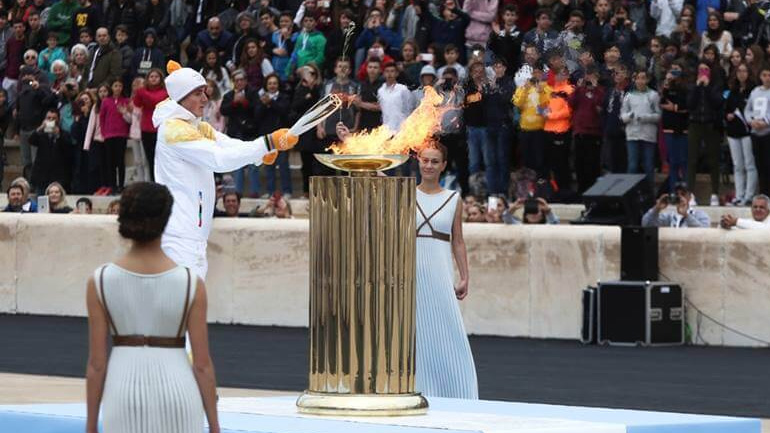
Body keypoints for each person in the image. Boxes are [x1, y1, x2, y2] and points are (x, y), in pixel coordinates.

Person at [84, 182, 220, 433]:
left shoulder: (100, 281)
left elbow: (96, 363)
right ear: (166, 218)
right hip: (179, 392)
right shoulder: (191, 283)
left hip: (123, 391)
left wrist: (91, 425)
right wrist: (214, 425)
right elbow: (202, 364)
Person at [152, 60, 298, 278]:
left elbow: (226, 143)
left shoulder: (196, 125)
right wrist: (266, 143)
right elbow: (218, 159)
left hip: (193, 232)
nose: (205, 99)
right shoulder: (173, 130)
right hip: (178, 233)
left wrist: (260, 154)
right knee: (180, 302)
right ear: (181, 98)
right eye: (197, 93)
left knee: (190, 300)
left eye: (205, 92)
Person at [414, 143, 478, 399]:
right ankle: (421, 389)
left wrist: (464, 276)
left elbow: (458, 241)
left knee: (447, 327)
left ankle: (459, 389)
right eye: (425, 160)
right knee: (417, 332)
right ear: (418, 161)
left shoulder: (453, 199)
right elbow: (376, 170)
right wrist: (349, 139)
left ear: (443, 166)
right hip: (412, 271)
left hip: (440, 271)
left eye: (434, 161)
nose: (428, 165)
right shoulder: (404, 193)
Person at [621, 69, 660, 190]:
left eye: (643, 78)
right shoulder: (629, 96)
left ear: (647, 80)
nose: (640, 81)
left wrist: (645, 118)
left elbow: (658, 115)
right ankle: (629, 192)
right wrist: (629, 116)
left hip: (648, 135)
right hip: (632, 134)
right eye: (638, 78)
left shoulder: (653, 95)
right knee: (632, 165)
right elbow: (623, 115)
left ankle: (648, 192)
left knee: (648, 165)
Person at [132, 68, 168, 180]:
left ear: (161, 79)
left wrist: (142, 93)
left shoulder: (165, 92)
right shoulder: (141, 91)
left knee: (162, 158)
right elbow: (136, 104)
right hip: (147, 127)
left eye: (156, 77)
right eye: (151, 77)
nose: (153, 79)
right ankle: (153, 180)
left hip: (161, 128)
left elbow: (155, 100)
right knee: (150, 158)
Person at [642, 183, 710, 227]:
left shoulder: (700, 214)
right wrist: (656, 208)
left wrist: (686, 215)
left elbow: (704, 230)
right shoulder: (670, 216)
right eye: (677, 194)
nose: (680, 197)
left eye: (683, 194)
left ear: (689, 197)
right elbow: (646, 224)